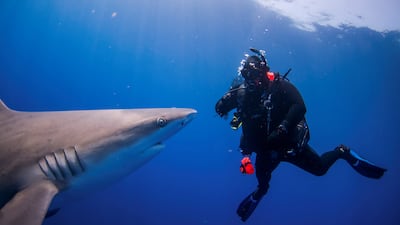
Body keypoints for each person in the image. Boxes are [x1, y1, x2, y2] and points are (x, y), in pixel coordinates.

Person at [215, 48, 387, 222]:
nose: (254, 80)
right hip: (266, 151)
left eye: (256, 74)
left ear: (264, 70)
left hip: (289, 145)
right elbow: (237, 122)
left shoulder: (280, 86)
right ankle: (259, 193)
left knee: (319, 169)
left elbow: (299, 106)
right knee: (262, 185)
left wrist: (282, 128)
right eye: (248, 75)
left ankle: (342, 152)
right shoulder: (242, 95)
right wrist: (245, 156)